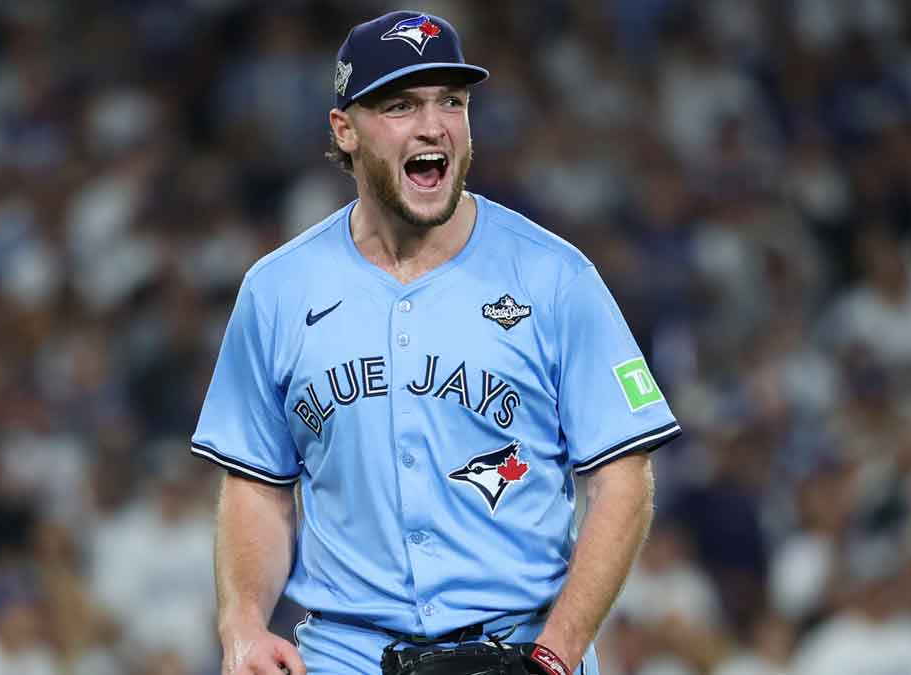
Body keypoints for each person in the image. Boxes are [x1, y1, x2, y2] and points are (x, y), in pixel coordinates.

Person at [189, 10, 681, 675]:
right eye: (400, 105)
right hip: (348, 654)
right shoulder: (277, 289)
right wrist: (244, 624)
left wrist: (555, 654)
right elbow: (258, 483)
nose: (433, 125)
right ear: (344, 130)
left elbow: (623, 478)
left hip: (520, 649)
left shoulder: (554, 277)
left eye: (451, 101)